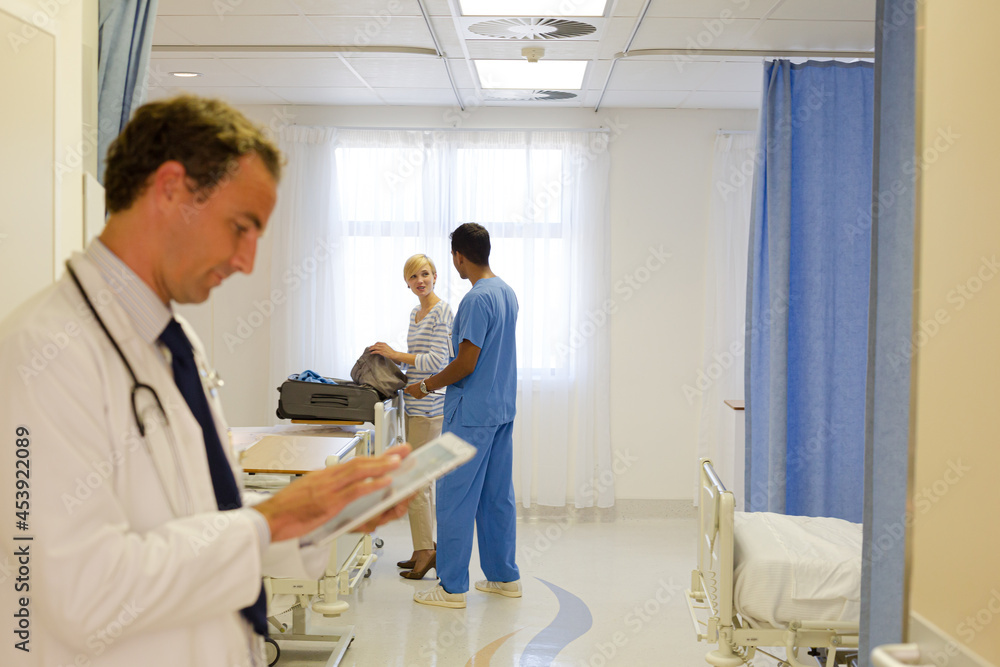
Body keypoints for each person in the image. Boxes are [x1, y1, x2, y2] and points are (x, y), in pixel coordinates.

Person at [0, 95, 411, 667]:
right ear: (170, 189)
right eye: (240, 228)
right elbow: (82, 590)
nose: (247, 261)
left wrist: (317, 516)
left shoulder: (174, 342)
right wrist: (271, 519)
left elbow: (203, 514)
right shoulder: (41, 354)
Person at [404, 223, 521, 609]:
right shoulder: (506, 292)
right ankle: (504, 577)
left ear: (458, 257)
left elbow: (466, 363)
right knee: (496, 497)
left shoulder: (475, 300)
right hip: (501, 409)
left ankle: (452, 588)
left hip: (472, 413)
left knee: (454, 498)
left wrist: (425, 386)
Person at [369, 254, 454, 580]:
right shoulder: (414, 314)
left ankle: (427, 552)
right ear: (407, 282)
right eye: (414, 276)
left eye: (425, 274)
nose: (420, 281)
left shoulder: (442, 311)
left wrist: (395, 354)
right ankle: (422, 549)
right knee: (417, 479)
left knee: (417, 480)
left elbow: (436, 362)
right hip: (413, 405)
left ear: (435, 276)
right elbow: (415, 361)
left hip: (430, 407)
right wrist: (388, 362)